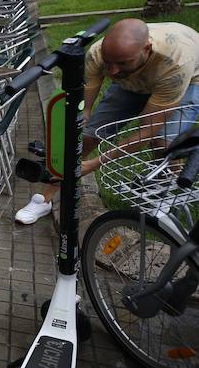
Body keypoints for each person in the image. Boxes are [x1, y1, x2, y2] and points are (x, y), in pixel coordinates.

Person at [16, 19, 199, 225]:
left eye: (121, 62)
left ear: (146, 49)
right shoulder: (98, 54)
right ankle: (44, 200)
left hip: (186, 80)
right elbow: (84, 109)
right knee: (86, 138)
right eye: (108, 62)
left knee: (162, 143)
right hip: (132, 81)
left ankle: (166, 193)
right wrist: (81, 122)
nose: (112, 71)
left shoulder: (175, 63)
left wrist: (94, 164)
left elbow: (146, 131)